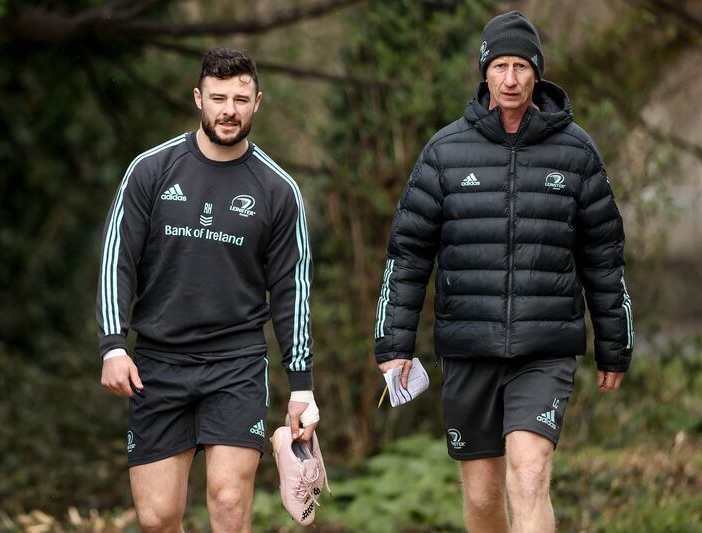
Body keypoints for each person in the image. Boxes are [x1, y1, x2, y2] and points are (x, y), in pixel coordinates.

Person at [374, 10, 633, 533]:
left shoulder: (577, 153)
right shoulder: (444, 153)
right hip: (469, 346)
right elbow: (408, 256)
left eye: (521, 66)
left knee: (529, 476)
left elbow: (603, 256)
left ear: (537, 73)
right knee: (483, 497)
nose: (510, 79)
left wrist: (615, 341)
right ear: (484, 72)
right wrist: (394, 344)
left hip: (545, 347)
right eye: (500, 66)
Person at [95, 47, 319, 533]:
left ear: (257, 102)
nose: (229, 110)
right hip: (157, 362)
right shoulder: (151, 171)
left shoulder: (279, 190)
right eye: (218, 98)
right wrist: (113, 345)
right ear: (198, 98)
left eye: (241, 99)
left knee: (230, 502)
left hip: (236, 364)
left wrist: (302, 386)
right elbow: (118, 262)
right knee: (157, 519)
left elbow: (291, 291)